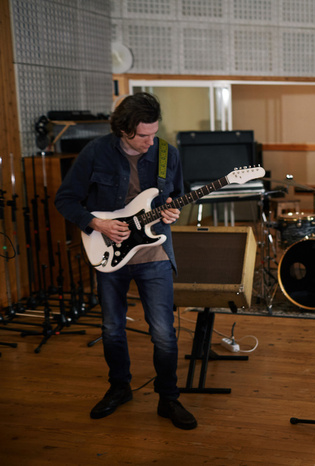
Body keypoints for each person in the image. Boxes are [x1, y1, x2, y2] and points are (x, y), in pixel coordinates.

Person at [54, 92, 197, 430]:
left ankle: (168, 398)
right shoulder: (95, 152)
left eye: (154, 132)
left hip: (154, 254)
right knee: (112, 328)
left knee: (164, 332)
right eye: (143, 135)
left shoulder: (167, 154)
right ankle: (119, 388)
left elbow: (175, 194)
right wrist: (97, 223)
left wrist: (174, 209)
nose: (151, 141)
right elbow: (65, 199)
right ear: (123, 130)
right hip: (109, 253)